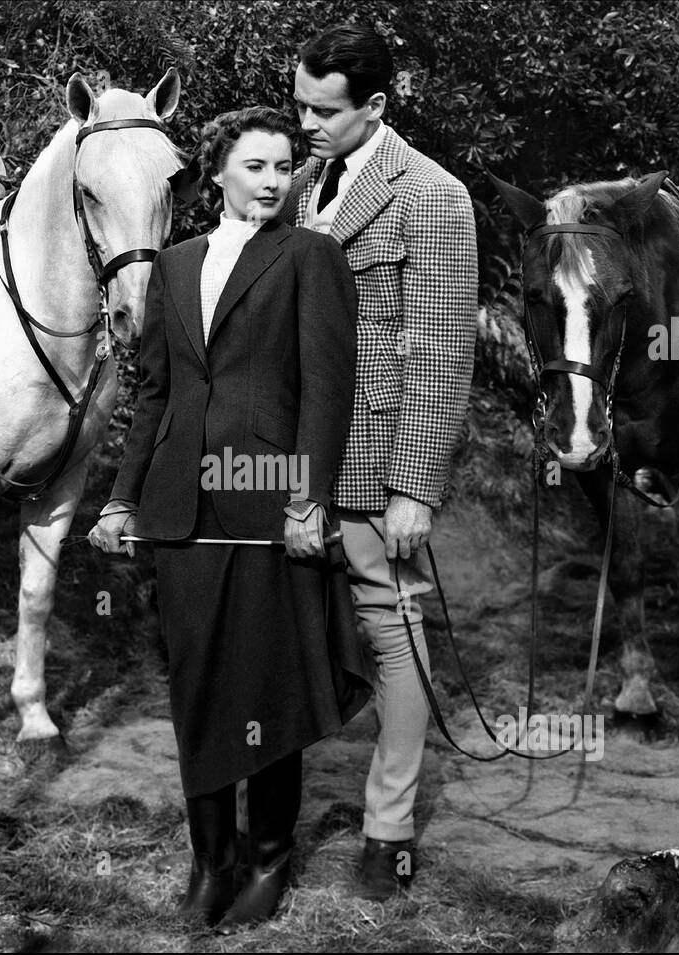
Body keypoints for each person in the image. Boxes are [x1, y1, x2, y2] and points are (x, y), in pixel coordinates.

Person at [89, 106, 368, 932]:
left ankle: (271, 858)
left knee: (268, 684)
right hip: (181, 508)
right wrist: (120, 497)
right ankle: (212, 862)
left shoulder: (311, 257)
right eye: (256, 166)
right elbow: (157, 395)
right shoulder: (174, 266)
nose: (274, 181)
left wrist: (309, 500)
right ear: (215, 173)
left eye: (285, 167)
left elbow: (327, 388)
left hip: (267, 503)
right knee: (199, 690)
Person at [284, 24, 477, 900]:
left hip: (371, 454)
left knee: (393, 633)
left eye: (325, 111)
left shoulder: (432, 195)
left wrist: (414, 486)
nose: (307, 124)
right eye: (299, 106)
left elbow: (439, 349)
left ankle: (388, 833)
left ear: (378, 106)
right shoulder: (296, 183)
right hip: (288, 455)